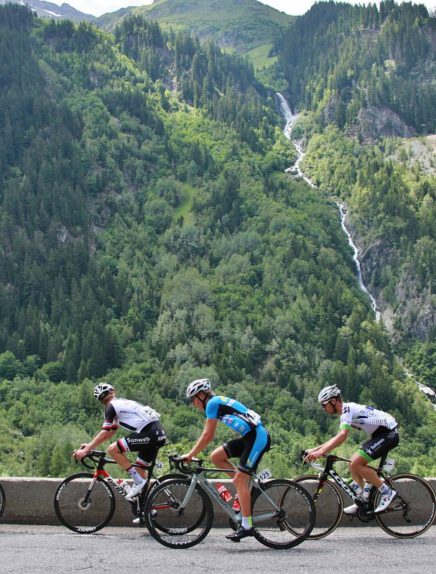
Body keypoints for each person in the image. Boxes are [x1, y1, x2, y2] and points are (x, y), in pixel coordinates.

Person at [182, 378, 271, 542]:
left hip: (257, 438)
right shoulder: (215, 402)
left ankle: (246, 526)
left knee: (239, 481)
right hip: (249, 437)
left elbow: (208, 435)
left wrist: (190, 454)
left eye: (193, 398)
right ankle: (243, 488)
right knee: (216, 457)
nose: (193, 403)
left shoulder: (212, 404)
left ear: (202, 395)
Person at [305, 384, 399, 514]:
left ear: (333, 401)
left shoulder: (347, 409)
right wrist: (315, 449)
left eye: (324, 404)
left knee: (356, 463)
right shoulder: (345, 412)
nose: (323, 408)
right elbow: (338, 436)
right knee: (352, 464)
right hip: (380, 435)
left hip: (388, 433)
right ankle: (361, 500)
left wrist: (320, 452)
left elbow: (343, 436)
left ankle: (387, 492)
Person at [74, 383, 167, 502]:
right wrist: (90, 445)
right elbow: (111, 431)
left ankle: (138, 481)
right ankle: (147, 509)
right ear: (113, 391)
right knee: (139, 469)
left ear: (100, 400)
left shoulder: (111, 407)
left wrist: (86, 450)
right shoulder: (121, 403)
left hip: (150, 433)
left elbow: (106, 432)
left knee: (112, 450)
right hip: (157, 433)